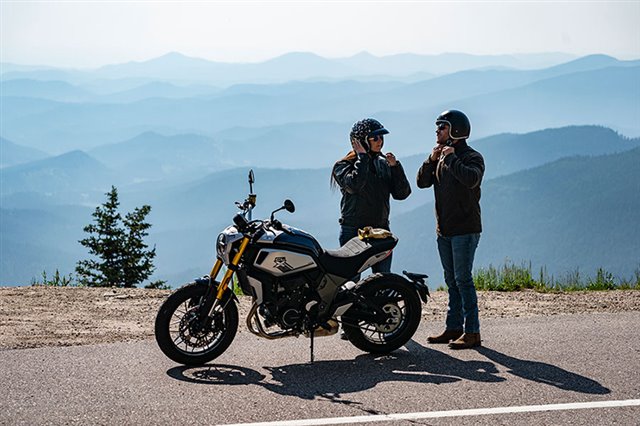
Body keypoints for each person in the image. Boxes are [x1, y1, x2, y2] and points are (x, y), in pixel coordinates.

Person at [416, 110, 485, 349]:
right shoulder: (440, 157)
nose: (437, 131)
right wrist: (431, 160)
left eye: (442, 127)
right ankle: (454, 327)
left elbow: (471, 179)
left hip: (465, 228)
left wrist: (452, 158)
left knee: (463, 279)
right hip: (444, 230)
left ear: (455, 131)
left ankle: (472, 332)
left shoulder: (472, 157)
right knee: (451, 281)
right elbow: (422, 182)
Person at [331, 118, 412, 275]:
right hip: (353, 230)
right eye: (374, 138)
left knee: (383, 278)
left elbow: (402, 194)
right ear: (361, 141)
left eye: (381, 137)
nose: (380, 141)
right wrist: (362, 158)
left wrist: (395, 168)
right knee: (351, 280)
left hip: (380, 230)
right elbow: (354, 185)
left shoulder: (384, 163)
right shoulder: (343, 166)